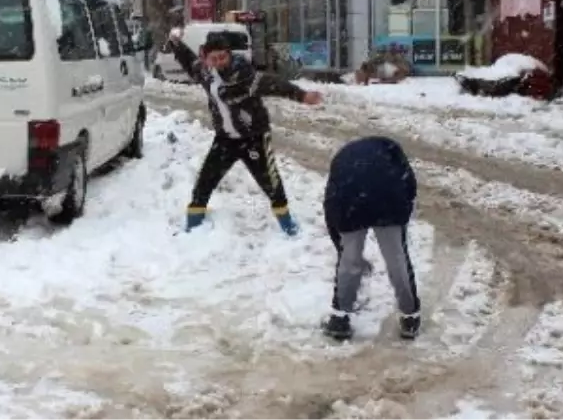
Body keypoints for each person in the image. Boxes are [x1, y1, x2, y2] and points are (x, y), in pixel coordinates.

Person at [169, 28, 323, 236]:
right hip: (225, 139)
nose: (219, 62)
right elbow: (189, 61)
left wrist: (302, 95)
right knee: (205, 180)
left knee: (271, 182)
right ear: (206, 57)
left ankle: (288, 227)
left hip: (254, 138)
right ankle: (193, 227)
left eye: (223, 57)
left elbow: (274, 84)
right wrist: (176, 44)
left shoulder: (244, 75)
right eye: (214, 58)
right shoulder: (205, 72)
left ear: (229, 54)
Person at [320, 136, 421, 341]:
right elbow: (409, 184)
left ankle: (339, 319)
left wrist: (342, 249)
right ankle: (410, 317)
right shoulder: (392, 148)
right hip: (388, 199)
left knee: (349, 260)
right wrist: (402, 214)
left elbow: (331, 209)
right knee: (397, 260)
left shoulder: (342, 161)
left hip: (349, 201)